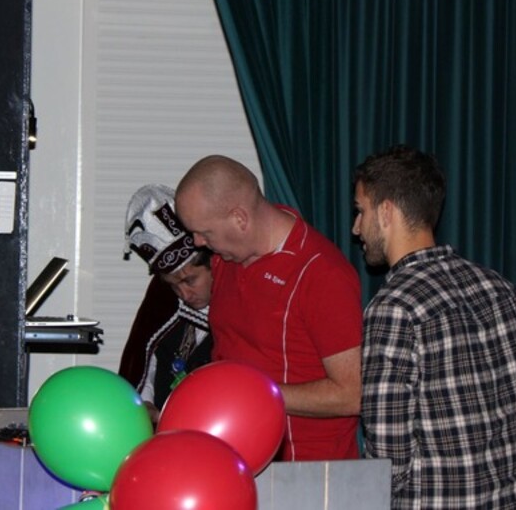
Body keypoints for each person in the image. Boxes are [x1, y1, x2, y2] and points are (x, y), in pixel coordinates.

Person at [353, 145, 516, 508]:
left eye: (360, 211)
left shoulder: (393, 307)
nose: (356, 228)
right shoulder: (499, 288)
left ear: (386, 212)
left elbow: (387, 461)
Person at [174, 155, 362, 461]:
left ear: (240, 219)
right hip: (236, 457)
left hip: (306, 470)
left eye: (205, 233)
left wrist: (253, 393)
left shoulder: (321, 273)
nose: (197, 243)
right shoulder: (225, 260)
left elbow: (352, 394)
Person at [119, 184, 214, 423]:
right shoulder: (164, 307)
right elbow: (145, 362)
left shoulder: (237, 313)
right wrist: (146, 402)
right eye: (173, 286)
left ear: (213, 266)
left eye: (190, 280)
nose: (184, 294)